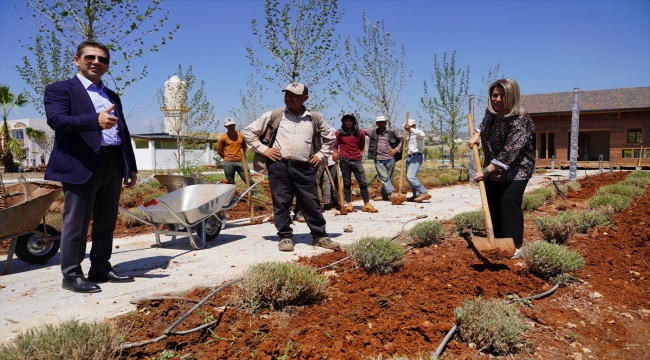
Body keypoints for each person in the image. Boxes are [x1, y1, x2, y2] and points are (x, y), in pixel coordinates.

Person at [44, 41, 138, 293]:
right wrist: (94, 121)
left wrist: (131, 166)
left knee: (106, 221)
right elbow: (57, 120)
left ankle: (100, 267)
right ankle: (72, 274)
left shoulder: (112, 95)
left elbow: (123, 132)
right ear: (77, 60)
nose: (96, 62)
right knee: (77, 222)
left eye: (102, 59)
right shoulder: (60, 90)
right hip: (81, 163)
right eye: (90, 58)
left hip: (113, 162)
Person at [243, 82, 339, 252]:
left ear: (305, 98)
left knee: (310, 202)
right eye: (287, 94)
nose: (288, 97)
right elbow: (248, 132)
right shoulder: (274, 115)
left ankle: (319, 236)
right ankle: (285, 237)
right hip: (279, 166)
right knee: (281, 202)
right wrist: (264, 150)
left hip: (305, 167)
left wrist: (320, 155)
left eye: (294, 95)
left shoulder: (315, 118)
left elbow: (330, 138)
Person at [468, 78, 535, 258]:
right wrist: (476, 135)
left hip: (517, 167)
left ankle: (515, 245)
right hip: (493, 165)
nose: (497, 99)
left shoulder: (520, 119)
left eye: (502, 96)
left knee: (507, 202)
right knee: (493, 203)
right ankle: (497, 240)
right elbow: (483, 124)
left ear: (512, 97)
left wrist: (486, 171)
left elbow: (509, 152)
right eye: (494, 95)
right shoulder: (491, 112)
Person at [333, 113, 378, 213]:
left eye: (350, 121)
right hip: (344, 161)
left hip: (357, 160)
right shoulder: (339, 133)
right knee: (347, 183)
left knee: (362, 182)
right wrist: (335, 153)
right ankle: (349, 204)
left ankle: (366, 204)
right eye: (346, 121)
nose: (348, 123)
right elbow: (335, 146)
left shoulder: (360, 133)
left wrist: (356, 154)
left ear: (354, 122)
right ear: (343, 122)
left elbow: (362, 146)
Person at [365, 115, 403, 201]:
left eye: (383, 122)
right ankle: (393, 194)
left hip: (390, 158)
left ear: (385, 123)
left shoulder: (392, 132)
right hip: (378, 159)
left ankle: (384, 195)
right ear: (377, 123)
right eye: (379, 122)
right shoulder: (372, 132)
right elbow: (360, 131)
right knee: (384, 178)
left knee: (388, 178)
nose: (381, 124)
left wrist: (396, 149)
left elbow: (403, 139)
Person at [403, 118, 432, 202]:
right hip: (409, 157)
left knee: (411, 176)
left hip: (416, 157)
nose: (407, 128)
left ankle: (423, 192)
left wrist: (411, 129)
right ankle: (416, 195)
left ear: (414, 126)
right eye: (406, 127)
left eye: (409, 126)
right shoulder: (409, 135)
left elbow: (422, 134)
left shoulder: (418, 133)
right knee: (409, 178)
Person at [217, 117, 251, 185]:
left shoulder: (241, 135)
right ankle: (232, 194)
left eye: (232, 125)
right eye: (229, 125)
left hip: (240, 161)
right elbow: (219, 150)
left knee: (248, 179)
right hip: (228, 162)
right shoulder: (223, 137)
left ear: (235, 125)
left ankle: (254, 193)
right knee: (230, 182)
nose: (231, 127)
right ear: (225, 126)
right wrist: (227, 158)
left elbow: (244, 147)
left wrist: (240, 156)